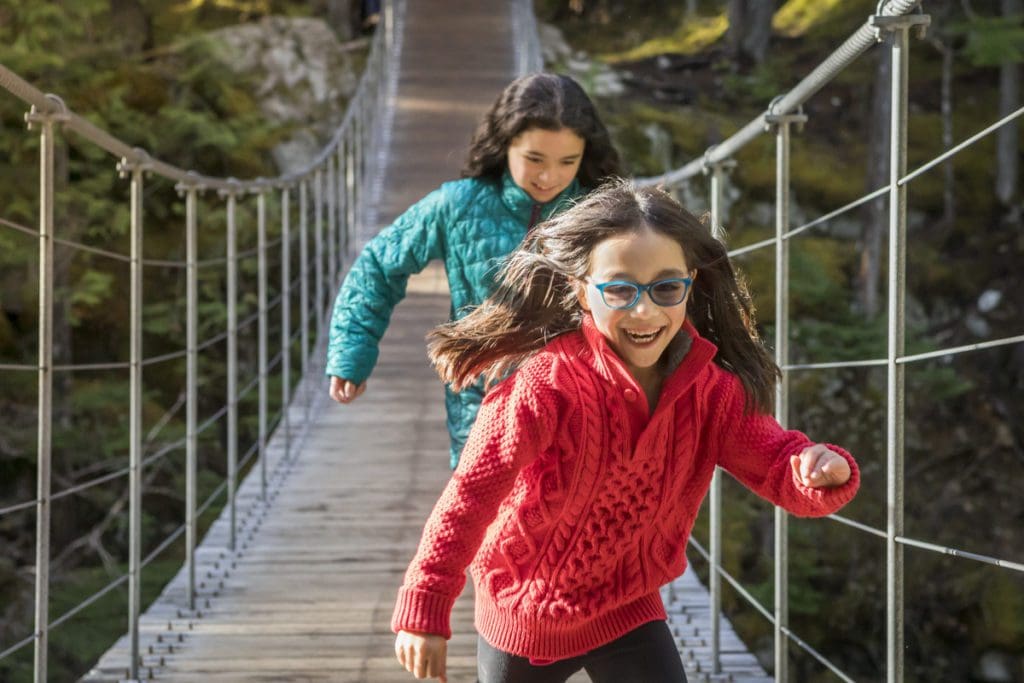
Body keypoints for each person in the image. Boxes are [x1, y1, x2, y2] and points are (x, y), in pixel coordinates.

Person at [390, 180, 860, 683]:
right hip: (527, 608)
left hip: (629, 604)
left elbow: (773, 462)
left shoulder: (709, 391)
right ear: (580, 289)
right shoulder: (544, 388)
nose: (645, 311)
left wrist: (816, 470)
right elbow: (470, 495)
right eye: (619, 289)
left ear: (691, 284)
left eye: (666, 288)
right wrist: (426, 601)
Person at [326, 73, 622, 469]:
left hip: (578, 406)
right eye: (534, 159)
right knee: (482, 522)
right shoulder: (457, 205)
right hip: (480, 408)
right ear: (505, 145)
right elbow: (379, 264)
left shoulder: (603, 213)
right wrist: (352, 351)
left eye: (567, 162)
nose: (549, 177)